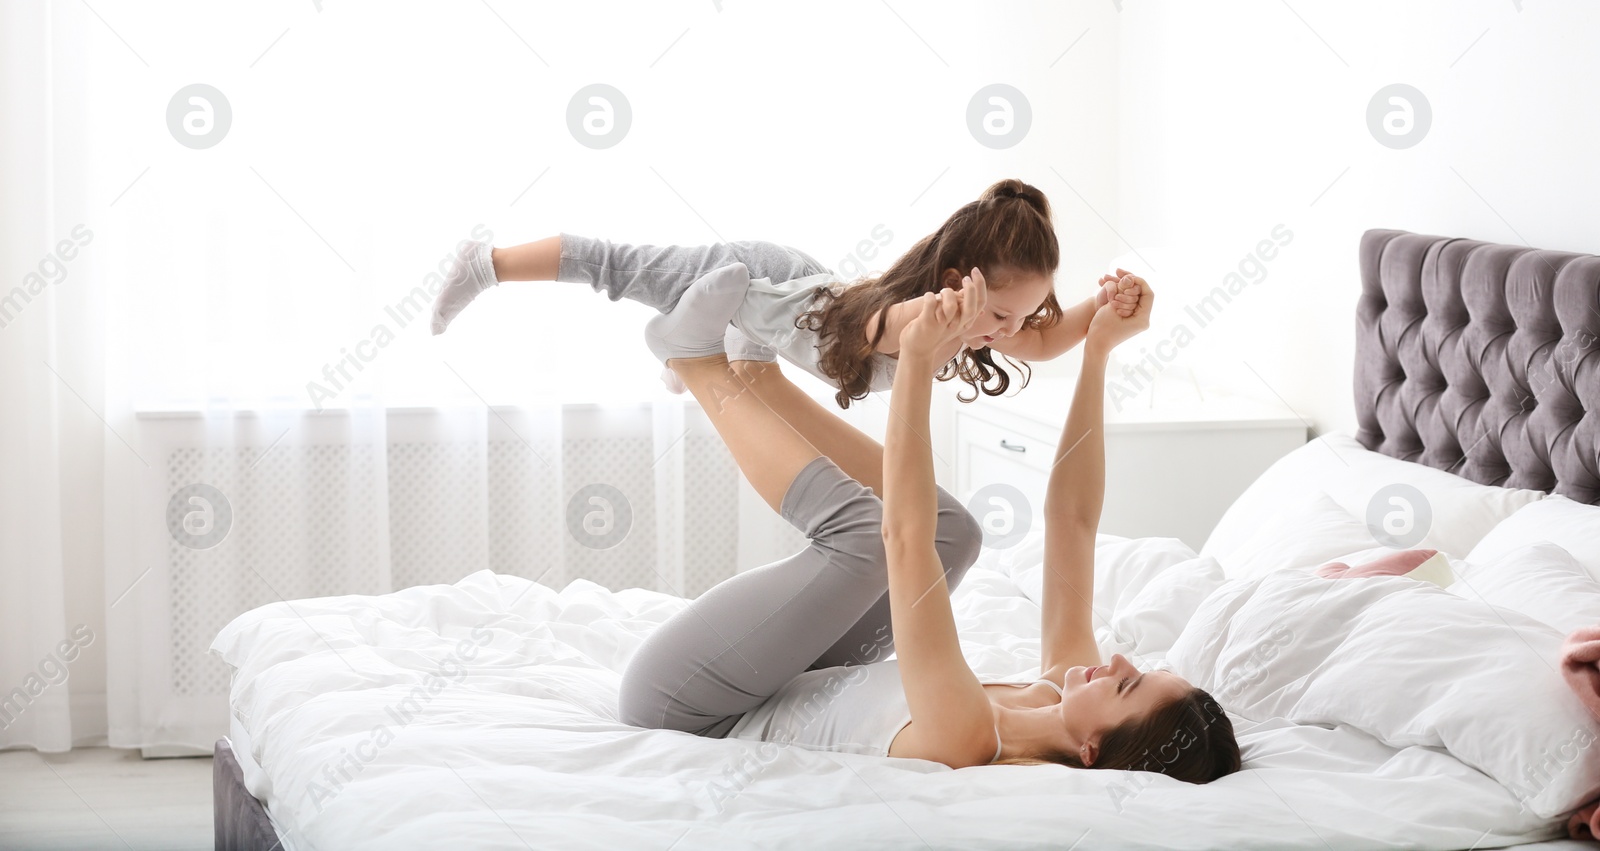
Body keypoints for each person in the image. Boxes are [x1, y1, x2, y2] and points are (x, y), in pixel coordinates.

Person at [616, 266, 1240, 779]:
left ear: (1092, 752)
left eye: (1129, 688)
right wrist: (1099, 350)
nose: (1125, 661)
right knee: (957, 532)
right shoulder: (1057, 690)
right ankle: (758, 374)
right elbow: (1071, 521)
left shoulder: (967, 737)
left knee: (866, 538)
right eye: (1145, 671)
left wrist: (917, 365)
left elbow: (901, 540)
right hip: (787, 674)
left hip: (689, 703)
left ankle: (697, 364)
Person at [429, 179, 1141, 408]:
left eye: (1012, 320)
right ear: (958, 285)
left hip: (784, 306)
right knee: (624, 270)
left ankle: (699, 339)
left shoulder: (979, 322)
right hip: (761, 275)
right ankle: (485, 262)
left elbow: (1047, 340)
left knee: (743, 338)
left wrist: (1105, 309)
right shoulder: (916, 320)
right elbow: (905, 327)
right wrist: (945, 311)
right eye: (1000, 314)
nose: (1006, 331)